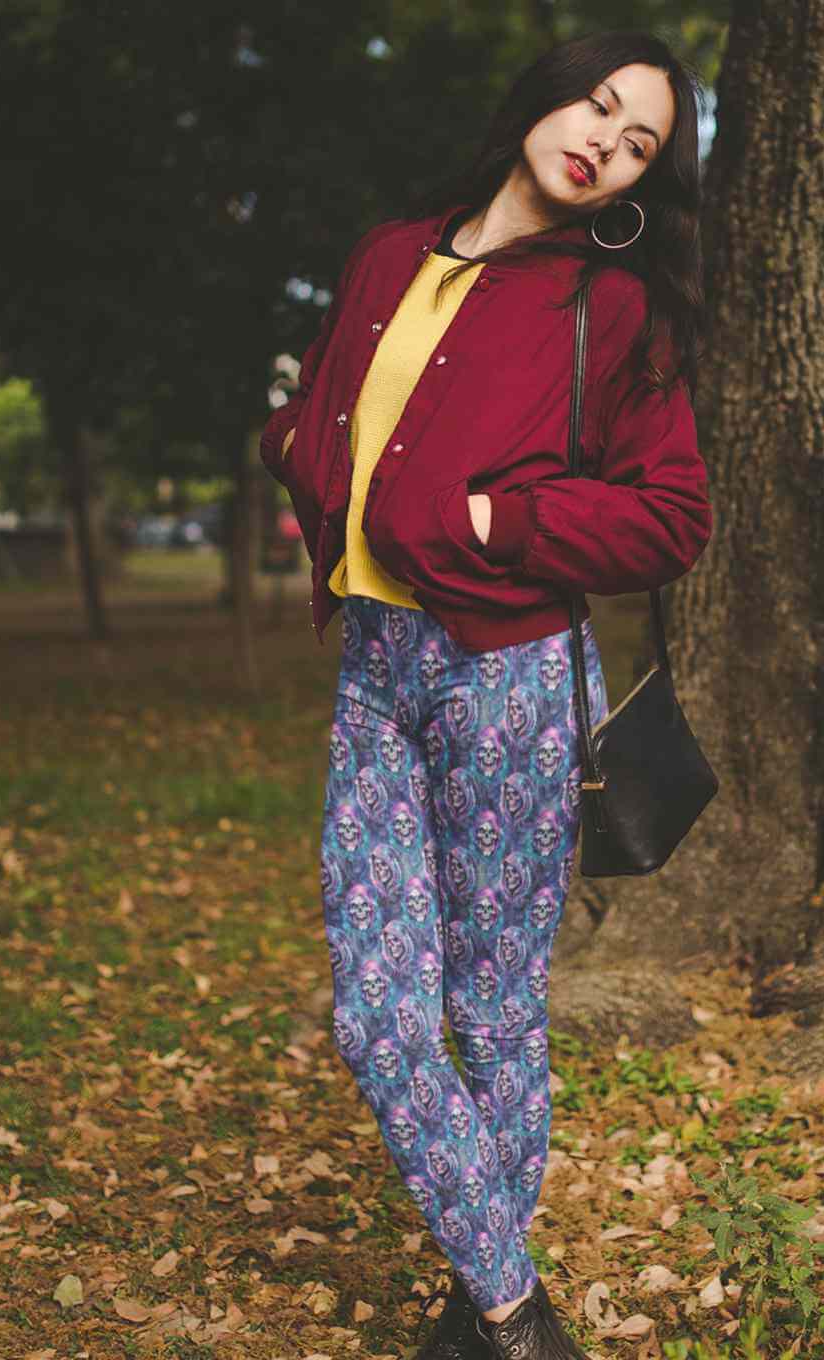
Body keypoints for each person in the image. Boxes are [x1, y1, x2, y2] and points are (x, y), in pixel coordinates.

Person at [258, 28, 712, 1360]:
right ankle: (520, 1314)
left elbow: (673, 516)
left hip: (509, 681)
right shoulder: (390, 254)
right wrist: (299, 452)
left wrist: (492, 520)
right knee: (379, 1015)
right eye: (598, 105)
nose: (604, 142)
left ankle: (486, 1321)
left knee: (495, 1011)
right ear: (548, 95)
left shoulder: (612, 306)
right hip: (374, 672)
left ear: (641, 182)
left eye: (639, 143)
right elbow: (322, 403)